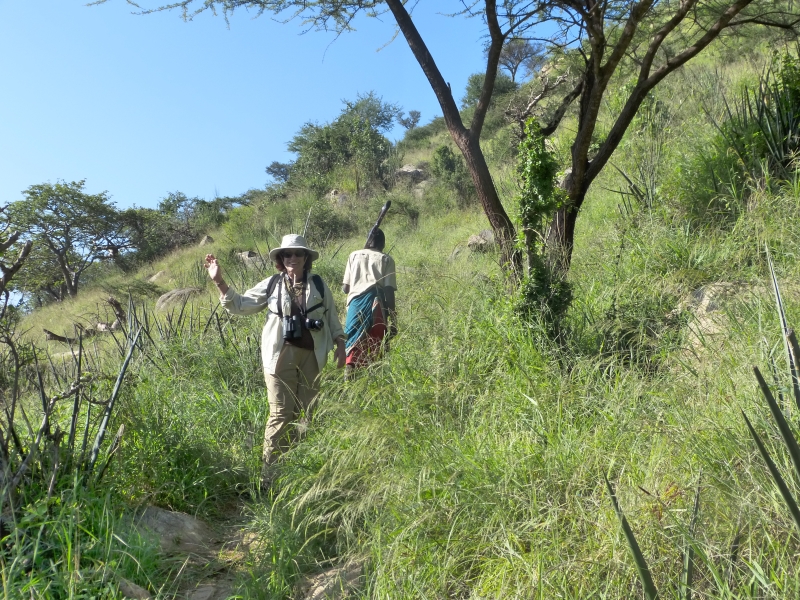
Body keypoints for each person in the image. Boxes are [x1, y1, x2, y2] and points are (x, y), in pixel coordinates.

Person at [204, 234, 346, 490]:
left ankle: (297, 473)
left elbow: (332, 317)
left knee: (307, 414)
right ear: (281, 258)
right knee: (280, 414)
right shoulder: (272, 284)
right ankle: (268, 478)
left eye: (298, 253)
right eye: (287, 254)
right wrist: (219, 281)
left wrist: (341, 343)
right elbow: (240, 304)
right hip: (279, 356)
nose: (292, 258)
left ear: (306, 258)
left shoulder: (319, 284)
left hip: (313, 356)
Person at [341, 228, 397, 374]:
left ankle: (349, 378)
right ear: (382, 244)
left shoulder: (353, 256)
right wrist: (393, 320)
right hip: (377, 307)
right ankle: (373, 380)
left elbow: (345, 288)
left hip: (355, 306)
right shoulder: (386, 259)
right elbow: (389, 291)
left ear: (368, 241)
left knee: (352, 346)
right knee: (376, 348)